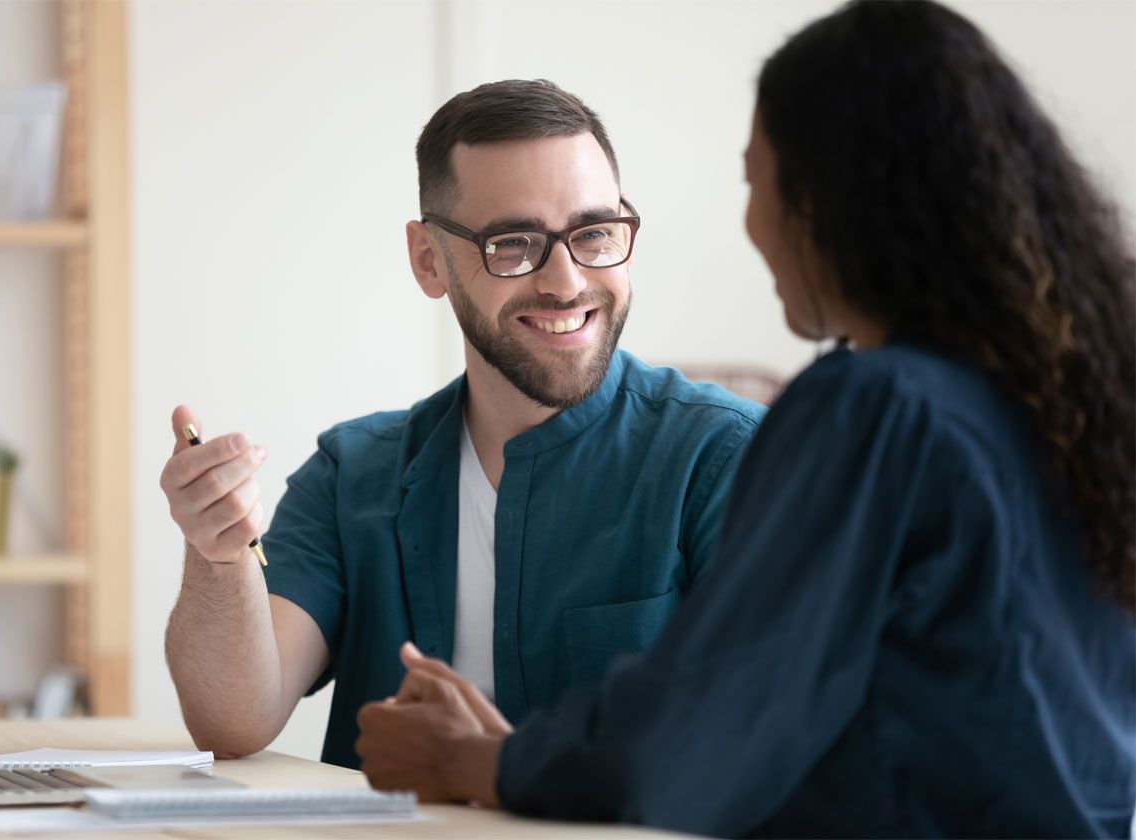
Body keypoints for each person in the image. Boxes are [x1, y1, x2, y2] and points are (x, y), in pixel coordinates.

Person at [354, 2, 1136, 836]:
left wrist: (468, 759)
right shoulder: (1071, 400)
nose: (751, 223)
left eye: (755, 180)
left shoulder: (877, 410)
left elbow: (699, 740)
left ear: (829, 203)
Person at [159, 80, 765, 770]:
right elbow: (234, 723)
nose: (566, 283)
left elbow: (766, 745)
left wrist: (491, 766)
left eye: (594, 234)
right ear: (429, 261)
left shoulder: (733, 457)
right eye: (514, 244)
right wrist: (217, 554)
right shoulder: (352, 473)